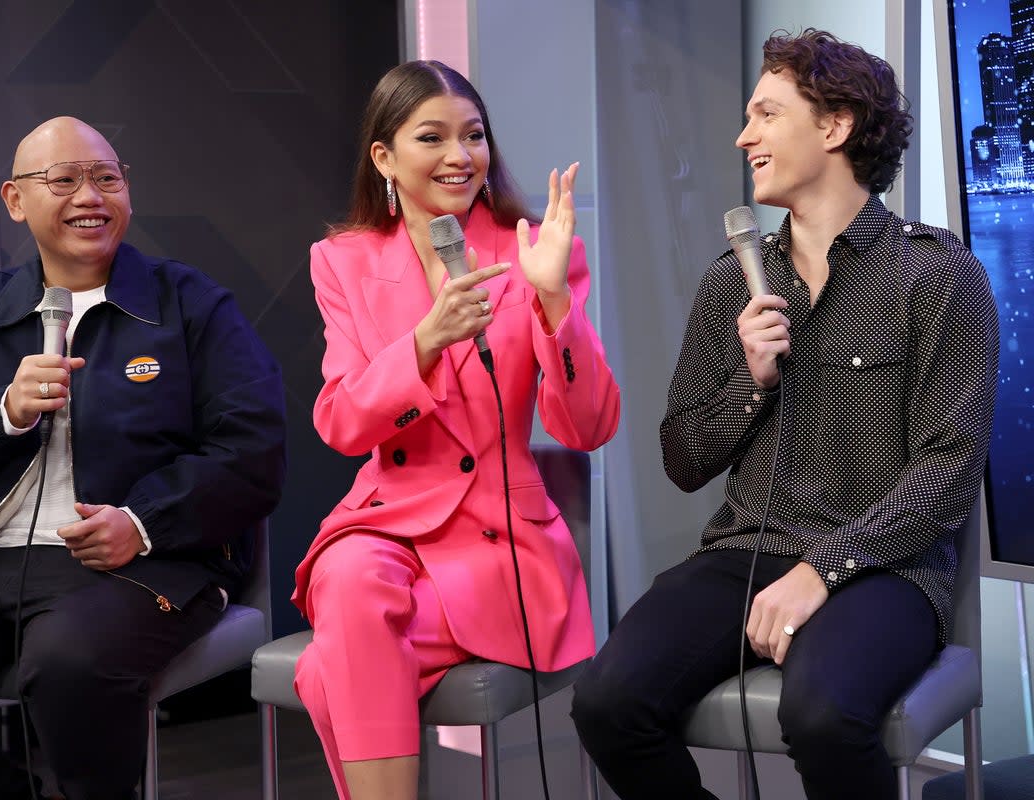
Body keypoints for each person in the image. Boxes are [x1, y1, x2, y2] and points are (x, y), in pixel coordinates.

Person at [571, 28, 1000, 800]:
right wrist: (751, 380)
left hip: (886, 568)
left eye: (766, 115)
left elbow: (948, 469)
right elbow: (682, 457)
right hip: (745, 552)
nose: (744, 137)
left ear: (833, 126)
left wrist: (824, 570)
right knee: (607, 702)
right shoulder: (728, 283)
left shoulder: (939, 276)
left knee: (826, 715)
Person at [0, 117, 286, 800]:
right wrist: (3, 413)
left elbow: (253, 446)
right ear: (16, 200)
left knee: (69, 662)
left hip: (145, 559)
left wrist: (140, 521)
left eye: (107, 178)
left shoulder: (189, 304)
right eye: (64, 179)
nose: (90, 196)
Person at [290, 60, 621, 800]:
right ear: (384, 156)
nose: (459, 156)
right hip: (385, 519)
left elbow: (588, 426)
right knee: (349, 582)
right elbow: (342, 423)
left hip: (501, 532)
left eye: (473, 136)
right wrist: (423, 344)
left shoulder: (532, 249)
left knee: (335, 660)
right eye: (431, 137)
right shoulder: (342, 261)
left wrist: (553, 303)